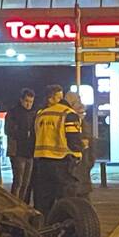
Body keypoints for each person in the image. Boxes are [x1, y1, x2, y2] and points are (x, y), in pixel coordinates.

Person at [32, 84, 83, 216]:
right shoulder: (68, 114)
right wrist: (78, 155)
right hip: (62, 160)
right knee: (66, 200)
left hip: (41, 161)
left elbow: (35, 135)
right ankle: (63, 228)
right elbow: (73, 139)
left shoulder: (40, 114)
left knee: (43, 200)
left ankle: (43, 230)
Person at [4, 89, 35, 201]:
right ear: (21, 100)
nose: (28, 104)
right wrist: (23, 133)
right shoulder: (13, 113)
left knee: (26, 183)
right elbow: (8, 130)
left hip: (29, 152)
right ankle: (14, 203)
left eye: (31, 102)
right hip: (17, 151)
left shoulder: (33, 114)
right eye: (26, 101)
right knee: (18, 181)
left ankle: (22, 204)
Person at [62, 91, 94, 199]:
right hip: (79, 168)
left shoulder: (76, 122)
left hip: (77, 167)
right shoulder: (83, 124)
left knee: (76, 198)